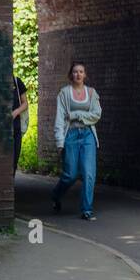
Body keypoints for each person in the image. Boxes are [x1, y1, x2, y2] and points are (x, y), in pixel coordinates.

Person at [51, 61, 101, 220]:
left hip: (88, 135)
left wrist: (76, 115)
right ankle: (56, 195)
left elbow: (96, 115)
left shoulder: (92, 93)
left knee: (89, 173)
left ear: (85, 75)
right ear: (70, 75)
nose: (78, 74)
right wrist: (59, 142)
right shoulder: (64, 93)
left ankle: (87, 210)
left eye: (81, 72)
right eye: (75, 72)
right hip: (70, 135)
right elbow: (60, 118)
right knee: (70, 175)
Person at [12, 74, 29, 177]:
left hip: (16, 128)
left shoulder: (17, 81)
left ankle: (10, 188)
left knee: (14, 160)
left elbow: (25, 103)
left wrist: (16, 112)